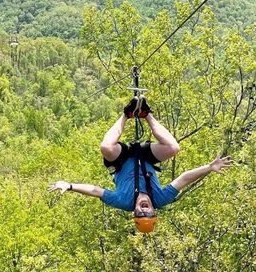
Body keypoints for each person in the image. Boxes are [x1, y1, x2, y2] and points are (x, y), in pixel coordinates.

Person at [48, 96, 232, 233]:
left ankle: (125, 116)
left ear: (134, 213)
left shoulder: (122, 201)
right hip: (144, 158)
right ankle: (146, 115)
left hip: (121, 161)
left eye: (140, 214)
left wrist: (70, 186)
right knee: (173, 148)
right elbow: (184, 178)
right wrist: (209, 167)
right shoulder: (161, 198)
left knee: (106, 147)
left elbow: (96, 191)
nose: (144, 210)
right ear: (153, 211)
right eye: (148, 213)